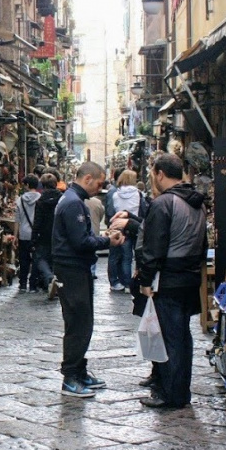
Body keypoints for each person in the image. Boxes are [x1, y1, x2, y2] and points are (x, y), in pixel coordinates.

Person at [133, 154, 207, 409]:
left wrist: (145, 278)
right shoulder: (197, 202)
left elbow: (154, 246)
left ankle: (171, 394)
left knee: (169, 337)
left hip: (168, 279)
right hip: (190, 277)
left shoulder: (164, 203)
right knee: (183, 336)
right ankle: (180, 390)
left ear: (160, 173)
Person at [51, 162, 127, 398]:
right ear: (87, 179)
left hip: (75, 268)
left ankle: (79, 371)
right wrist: (108, 241)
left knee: (83, 322)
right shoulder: (73, 202)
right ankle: (70, 378)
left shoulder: (74, 200)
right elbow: (80, 242)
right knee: (77, 323)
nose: (101, 187)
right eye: (99, 182)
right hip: (72, 269)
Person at [108, 170, 144, 292]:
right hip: (134, 224)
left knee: (124, 257)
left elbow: (110, 211)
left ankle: (123, 282)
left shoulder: (115, 194)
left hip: (120, 226)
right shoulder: (138, 194)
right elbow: (142, 210)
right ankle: (132, 283)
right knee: (135, 255)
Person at [31, 172, 62, 298]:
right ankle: (55, 282)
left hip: (43, 235)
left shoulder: (40, 201)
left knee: (40, 259)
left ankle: (49, 278)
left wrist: (33, 239)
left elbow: (37, 221)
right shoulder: (62, 198)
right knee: (56, 259)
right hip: (59, 234)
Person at [15, 175, 41, 292]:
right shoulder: (41, 198)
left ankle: (22, 284)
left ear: (27, 185)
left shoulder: (19, 200)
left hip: (24, 233)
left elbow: (17, 220)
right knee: (36, 259)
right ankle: (33, 285)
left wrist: (15, 236)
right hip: (36, 234)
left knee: (23, 259)